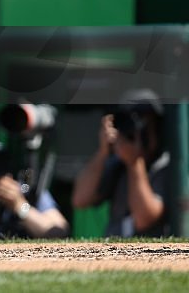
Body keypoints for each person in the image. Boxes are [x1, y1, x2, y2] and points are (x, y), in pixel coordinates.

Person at [72, 89, 169, 236]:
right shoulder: (118, 163)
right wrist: (103, 152)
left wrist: (134, 163)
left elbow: (144, 219)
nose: (136, 131)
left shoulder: (169, 166)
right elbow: (80, 199)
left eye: (144, 123)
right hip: (114, 253)